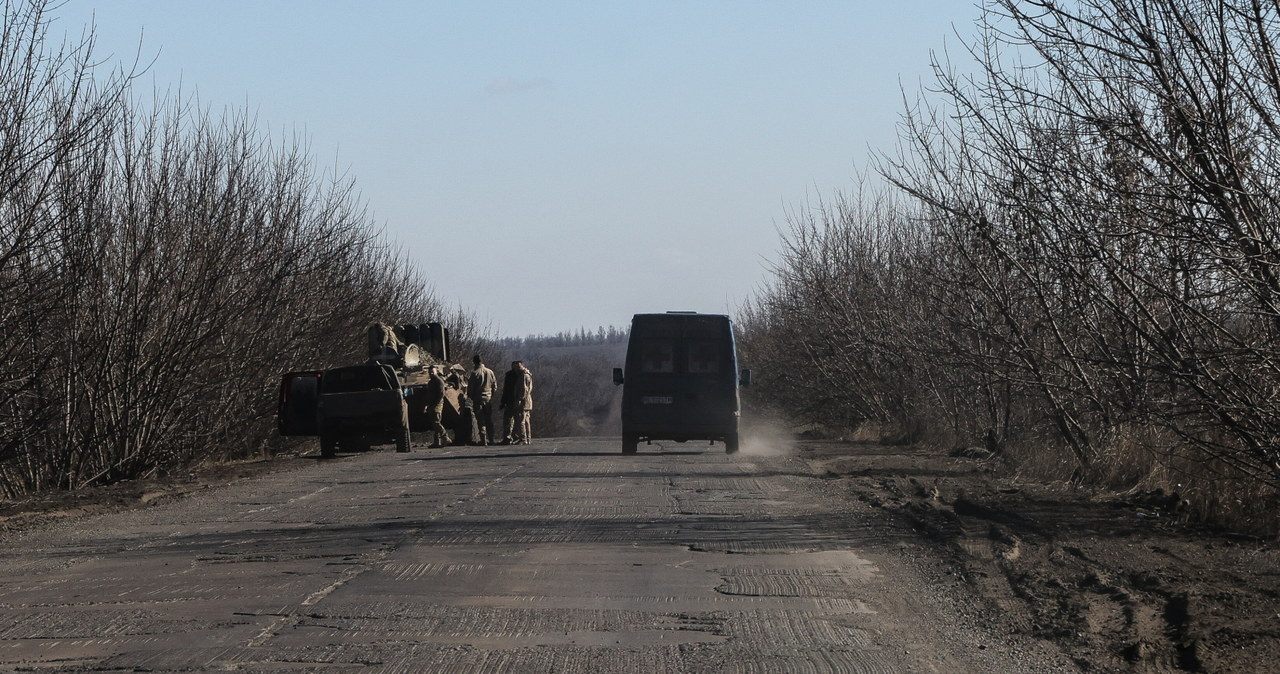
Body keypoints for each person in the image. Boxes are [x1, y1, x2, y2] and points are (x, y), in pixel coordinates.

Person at [467, 355, 497, 445]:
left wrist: (470, 396)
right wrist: (491, 395)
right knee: (489, 419)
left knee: (480, 420)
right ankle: (491, 439)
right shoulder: (490, 372)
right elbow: (494, 386)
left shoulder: (475, 373)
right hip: (488, 399)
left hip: (478, 399)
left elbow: (470, 389)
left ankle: (483, 440)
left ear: (474, 362)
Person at [422, 364, 448, 448]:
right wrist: (427, 404)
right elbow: (428, 395)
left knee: (436, 422)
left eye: (432, 372)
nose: (431, 373)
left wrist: (435, 403)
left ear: (436, 371)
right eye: (430, 372)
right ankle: (437, 442)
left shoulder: (439, 381)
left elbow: (441, 394)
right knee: (435, 423)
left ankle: (445, 436)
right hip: (431, 404)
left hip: (437, 404)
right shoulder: (431, 382)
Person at [509, 361, 533, 445]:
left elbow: (524, 389)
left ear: (523, 366)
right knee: (526, 421)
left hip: (523, 401)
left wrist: (519, 399)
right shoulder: (527, 375)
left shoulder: (523, 376)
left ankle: (523, 439)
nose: (516, 369)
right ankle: (528, 439)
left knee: (521, 421)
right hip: (527, 401)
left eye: (518, 367)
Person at [499, 361, 520, 445]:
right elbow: (506, 389)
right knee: (510, 420)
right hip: (511, 400)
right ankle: (511, 437)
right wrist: (503, 401)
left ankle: (511, 437)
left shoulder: (521, 375)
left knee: (513, 420)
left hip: (514, 400)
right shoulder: (518, 375)